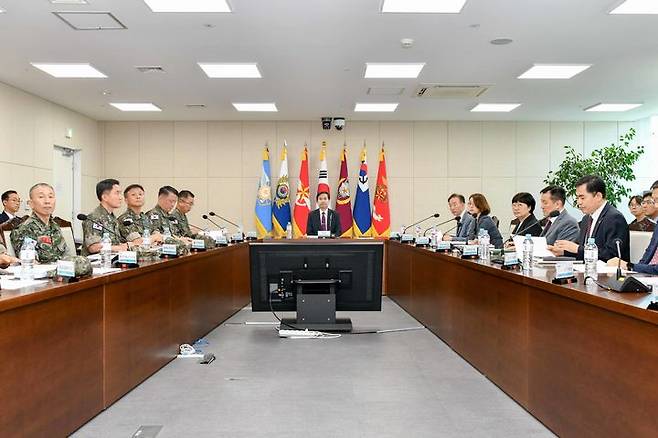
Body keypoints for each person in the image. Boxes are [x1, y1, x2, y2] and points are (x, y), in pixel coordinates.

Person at [551, 175, 629, 262]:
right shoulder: (586, 219)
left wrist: (577, 249)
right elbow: (582, 253)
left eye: (582, 198)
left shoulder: (614, 218)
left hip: (608, 273)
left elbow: (611, 255)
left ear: (598, 196)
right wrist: (564, 252)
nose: (579, 202)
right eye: (577, 198)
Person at [10, 183, 67, 263]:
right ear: (31, 204)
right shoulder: (26, 228)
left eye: (50, 197)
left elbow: (65, 254)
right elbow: (30, 263)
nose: (47, 201)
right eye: (41, 197)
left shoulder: (55, 226)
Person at [82, 179, 129, 256]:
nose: (121, 197)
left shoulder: (111, 217)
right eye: (117, 193)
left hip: (112, 259)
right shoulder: (94, 218)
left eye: (120, 193)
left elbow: (115, 242)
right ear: (105, 197)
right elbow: (94, 247)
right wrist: (118, 248)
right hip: (95, 263)